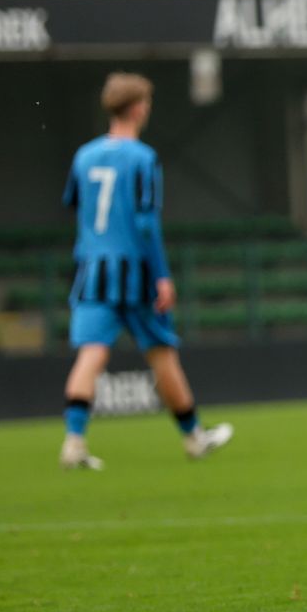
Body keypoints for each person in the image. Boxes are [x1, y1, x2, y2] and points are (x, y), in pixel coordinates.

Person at [59, 73, 233, 470]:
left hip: (91, 270)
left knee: (90, 354)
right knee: (162, 354)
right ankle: (193, 437)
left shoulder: (84, 156)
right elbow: (145, 224)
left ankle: (73, 441)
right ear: (137, 107)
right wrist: (162, 275)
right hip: (133, 272)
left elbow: (75, 204)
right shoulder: (142, 159)